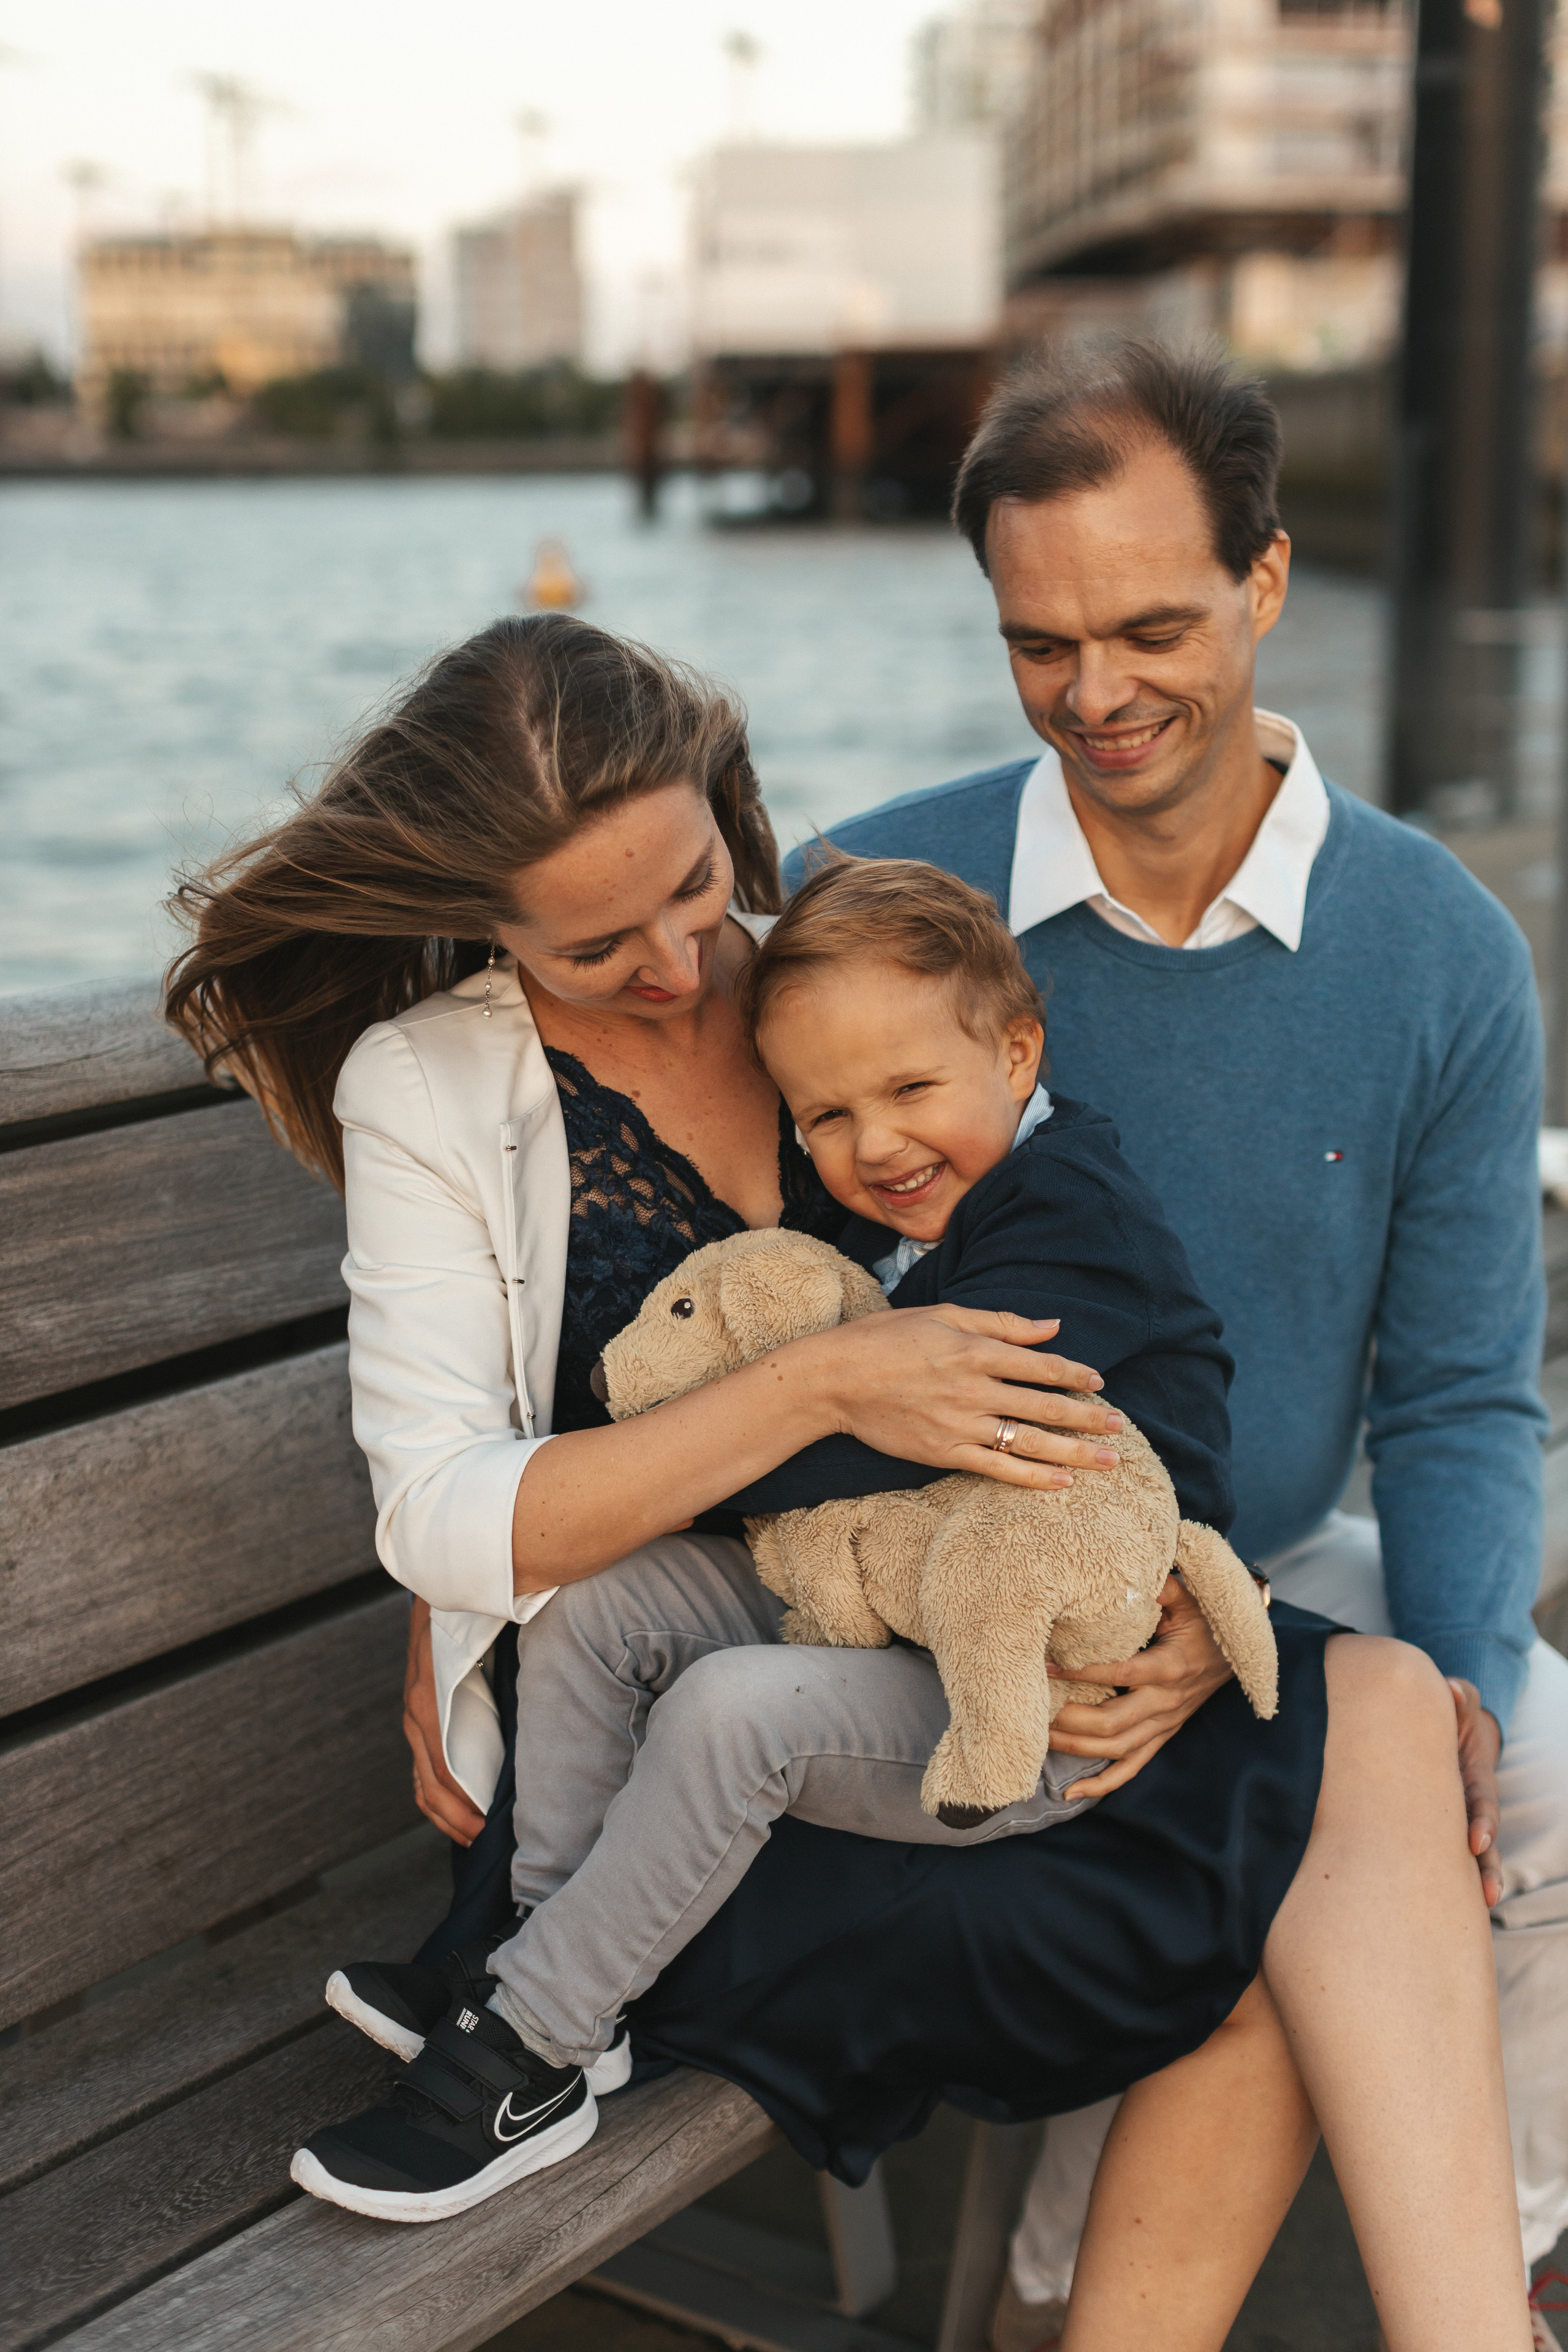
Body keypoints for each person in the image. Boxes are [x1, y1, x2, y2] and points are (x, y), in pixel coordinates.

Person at [166, 614, 1533, 2343]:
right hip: (699, 1780)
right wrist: (817, 1383)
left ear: (722, 802)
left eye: (696, 885)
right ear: (489, 921)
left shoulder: (837, 978)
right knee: (1293, 1872)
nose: (683, 963)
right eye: (598, 945)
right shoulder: (434, 1083)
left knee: (1388, 1713)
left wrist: (1185, 1597)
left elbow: (1104, 1346)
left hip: (929, 1646)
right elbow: (443, 1513)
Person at [799, 338, 1568, 2352]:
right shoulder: (870, 902)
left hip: (1279, 1547)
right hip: (985, 1563)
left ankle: (1491, 2273)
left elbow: (1462, 1393)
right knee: (1284, 1805)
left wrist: (1468, 1680)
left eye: (1151, 629)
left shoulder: (1438, 949)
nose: (1096, 696)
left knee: (1537, 1780)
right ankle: (1081, 2300)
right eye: (1039, 643)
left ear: (1268, 580)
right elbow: (753, 1310)